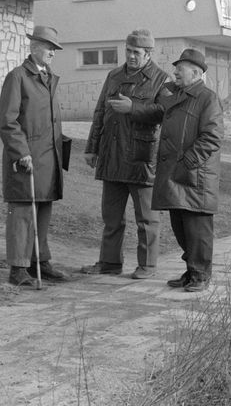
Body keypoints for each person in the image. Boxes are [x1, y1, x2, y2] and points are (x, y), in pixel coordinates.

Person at [81, 29, 171, 279]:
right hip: (111, 155)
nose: (131, 56)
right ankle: (109, 262)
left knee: (147, 218)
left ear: (148, 54)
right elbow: (100, 112)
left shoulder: (161, 79)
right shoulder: (113, 76)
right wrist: (92, 148)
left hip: (141, 158)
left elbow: (164, 112)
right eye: (128, 51)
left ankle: (147, 266)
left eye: (137, 52)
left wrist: (134, 108)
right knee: (111, 217)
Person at [0, 25, 67, 287]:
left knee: (44, 210)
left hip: (48, 158)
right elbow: (8, 120)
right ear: (34, 47)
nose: (52, 53)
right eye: (49, 47)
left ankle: (41, 261)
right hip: (26, 160)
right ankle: (18, 269)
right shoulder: (17, 77)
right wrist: (21, 152)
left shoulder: (49, 78)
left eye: (55, 49)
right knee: (23, 212)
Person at [151, 48, 224, 293]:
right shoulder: (179, 95)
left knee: (197, 229)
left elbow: (212, 137)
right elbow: (159, 104)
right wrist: (168, 89)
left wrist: (187, 163)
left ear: (195, 72)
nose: (174, 73)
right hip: (177, 175)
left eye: (179, 69)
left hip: (195, 176)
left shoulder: (207, 98)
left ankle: (201, 273)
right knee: (181, 227)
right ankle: (192, 269)